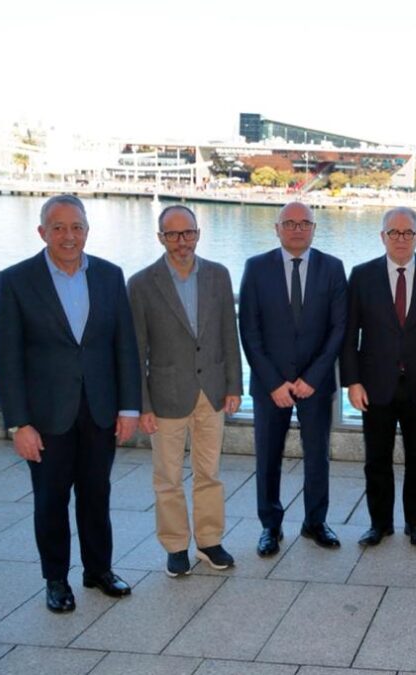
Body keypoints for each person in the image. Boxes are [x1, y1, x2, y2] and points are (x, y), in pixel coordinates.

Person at [0, 195, 140, 613]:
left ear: (87, 231)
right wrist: (18, 423)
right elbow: (4, 358)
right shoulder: (16, 280)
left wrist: (129, 408)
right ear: (43, 232)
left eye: (76, 227)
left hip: (99, 410)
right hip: (45, 417)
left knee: (97, 495)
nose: (68, 236)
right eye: (58, 228)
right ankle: (56, 579)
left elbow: (125, 347)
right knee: (50, 501)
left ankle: (99, 570)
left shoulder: (110, 275)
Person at [128, 205, 242, 577]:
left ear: (198, 233)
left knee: (210, 472)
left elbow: (228, 334)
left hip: (212, 391)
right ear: (161, 237)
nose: (182, 241)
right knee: (168, 478)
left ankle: (209, 541)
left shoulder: (218, 275)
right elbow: (136, 350)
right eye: (173, 234)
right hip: (165, 395)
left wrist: (234, 386)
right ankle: (176, 546)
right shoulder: (141, 284)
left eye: (188, 233)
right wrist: (142, 405)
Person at [239, 201, 347, 556]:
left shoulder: (333, 267)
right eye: (290, 223)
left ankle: (315, 522)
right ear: (277, 228)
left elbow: (338, 328)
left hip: (316, 384)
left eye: (305, 223)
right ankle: (270, 526)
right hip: (270, 386)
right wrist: (273, 382)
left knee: (317, 456)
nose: (298, 229)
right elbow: (249, 330)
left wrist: (313, 377)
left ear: (314, 228)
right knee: (268, 456)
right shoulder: (256, 267)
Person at [341, 207, 416, 547]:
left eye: (408, 232)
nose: (401, 238)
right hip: (374, 386)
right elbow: (349, 334)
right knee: (376, 460)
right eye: (394, 232)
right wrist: (352, 382)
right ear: (382, 236)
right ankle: (380, 524)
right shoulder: (362, 275)